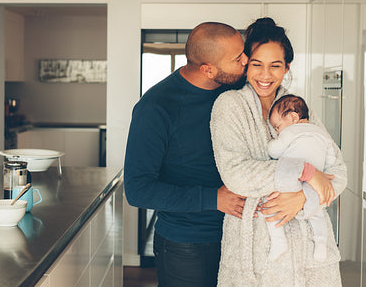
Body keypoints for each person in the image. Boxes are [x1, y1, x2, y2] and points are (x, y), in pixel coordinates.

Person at [210, 17, 347, 286]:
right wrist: (308, 173)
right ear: (245, 64)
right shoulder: (229, 106)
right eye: (257, 64)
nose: (265, 75)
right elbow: (236, 174)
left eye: (275, 66)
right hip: (255, 251)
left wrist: (303, 197)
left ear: (287, 68)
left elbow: (338, 172)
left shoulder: (298, 109)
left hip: (310, 251)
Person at [124, 22, 249, 287]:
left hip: (239, 235)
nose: (246, 61)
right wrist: (213, 198)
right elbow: (137, 190)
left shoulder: (233, 91)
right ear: (208, 69)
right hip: (186, 244)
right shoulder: (155, 107)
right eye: (237, 58)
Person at [266, 94, 338, 262]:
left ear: (293, 117)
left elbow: (274, 152)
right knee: (317, 213)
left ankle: (279, 242)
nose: (277, 131)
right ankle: (321, 243)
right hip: (315, 183)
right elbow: (332, 159)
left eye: (277, 126)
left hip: (292, 176)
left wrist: (272, 141)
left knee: (269, 205)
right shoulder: (322, 133)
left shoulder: (290, 131)